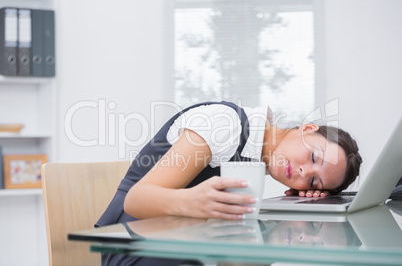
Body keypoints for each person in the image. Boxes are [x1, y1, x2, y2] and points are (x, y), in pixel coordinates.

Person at [96, 101, 362, 265]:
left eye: (314, 181)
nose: (303, 171)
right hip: (136, 250)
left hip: (182, 246)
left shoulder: (260, 152)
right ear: (307, 129)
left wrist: (303, 204)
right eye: (313, 155)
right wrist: (193, 201)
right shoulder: (225, 125)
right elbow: (136, 198)